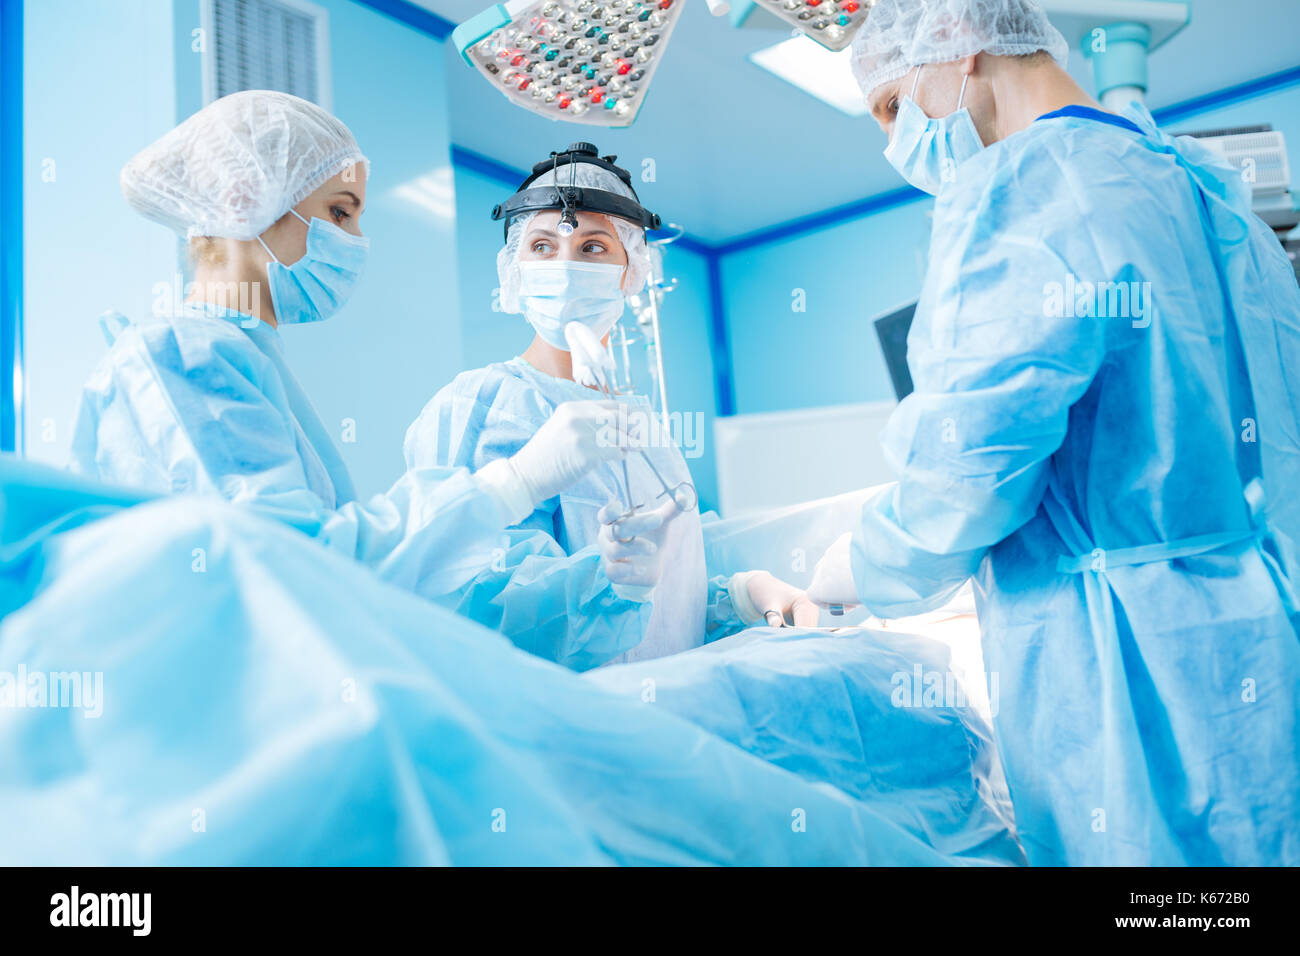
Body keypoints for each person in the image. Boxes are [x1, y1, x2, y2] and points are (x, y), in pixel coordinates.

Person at [806, 0, 1300, 865]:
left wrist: (852, 567)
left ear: (955, 38)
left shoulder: (1016, 199)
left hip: (1137, 688)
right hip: (1266, 643)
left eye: (891, 107)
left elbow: (961, 481)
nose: (894, 143)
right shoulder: (1201, 189)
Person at [70, 91, 632, 602]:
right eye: (340, 211)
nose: (356, 242)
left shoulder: (247, 360)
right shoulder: (184, 357)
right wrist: (515, 483)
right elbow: (289, 570)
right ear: (244, 201)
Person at [404, 144, 817, 667]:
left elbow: (667, 612)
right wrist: (608, 583)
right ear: (514, 270)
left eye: (594, 247)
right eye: (542, 245)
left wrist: (734, 596)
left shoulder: (641, 425)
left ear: (632, 271)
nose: (566, 266)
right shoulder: (478, 408)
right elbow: (471, 604)